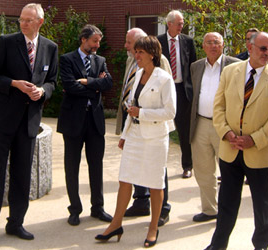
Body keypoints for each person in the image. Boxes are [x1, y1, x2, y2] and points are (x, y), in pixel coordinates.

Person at [0, 3, 58, 245]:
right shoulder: (6, 41)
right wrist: (14, 83)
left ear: (40, 22)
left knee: (22, 176)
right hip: (2, 120)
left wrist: (42, 92)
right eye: (21, 19)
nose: (23, 23)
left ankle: (16, 223)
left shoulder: (50, 48)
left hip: (29, 123)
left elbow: (52, 81)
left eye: (28, 20)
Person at [205, 32, 268, 250]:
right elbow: (219, 106)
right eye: (263, 48)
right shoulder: (230, 72)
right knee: (226, 205)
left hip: (259, 152)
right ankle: (218, 245)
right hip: (230, 149)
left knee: (263, 207)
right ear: (250, 48)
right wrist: (226, 133)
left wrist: (254, 139)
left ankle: (260, 246)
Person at [95, 36, 176, 248]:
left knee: (156, 184)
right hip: (134, 136)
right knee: (125, 179)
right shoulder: (138, 73)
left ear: (152, 54)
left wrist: (143, 112)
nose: (135, 55)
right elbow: (132, 105)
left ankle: (152, 229)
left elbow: (170, 112)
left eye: (140, 52)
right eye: (136, 51)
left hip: (155, 138)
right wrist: (124, 135)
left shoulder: (164, 79)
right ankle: (115, 224)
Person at [115, 28, 173, 226]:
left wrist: (142, 113)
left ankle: (162, 210)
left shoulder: (161, 67)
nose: (127, 47)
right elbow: (130, 91)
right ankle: (140, 203)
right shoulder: (133, 63)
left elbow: (167, 106)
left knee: (157, 174)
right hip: (134, 126)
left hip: (154, 131)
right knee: (130, 173)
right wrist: (124, 130)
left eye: (129, 43)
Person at [57, 24, 113, 226]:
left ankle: (98, 208)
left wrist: (87, 82)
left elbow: (108, 83)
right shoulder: (67, 59)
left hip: (95, 121)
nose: (97, 45)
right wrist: (95, 86)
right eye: (94, 41)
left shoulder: (100, 60)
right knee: (71, 167)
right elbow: (69, 86)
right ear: (83, 39)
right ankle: (74, 209)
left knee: (96, 165)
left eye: (99, 41)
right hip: (73, 121)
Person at [189, 32, 240, 222]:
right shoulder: (196, 67)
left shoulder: (235, 65)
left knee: (228, 170)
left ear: (223, 45)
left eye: (216, 42)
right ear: (203, 46)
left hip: (225, 126)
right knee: (203, 170)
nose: (212, 46)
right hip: (201, 123)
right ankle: (210, 210)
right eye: (209, 42)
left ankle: (228, 212)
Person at [158, 9, 197, 179]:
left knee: (184, 130)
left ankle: (187, 165)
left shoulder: (188, 41)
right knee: (160, 128)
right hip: (163, 91)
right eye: (179, 23)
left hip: (182, 91)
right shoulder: (158, 42)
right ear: (170, 24)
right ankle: (158, 166)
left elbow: (193, 66)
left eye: (182, 23)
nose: (182, 26)